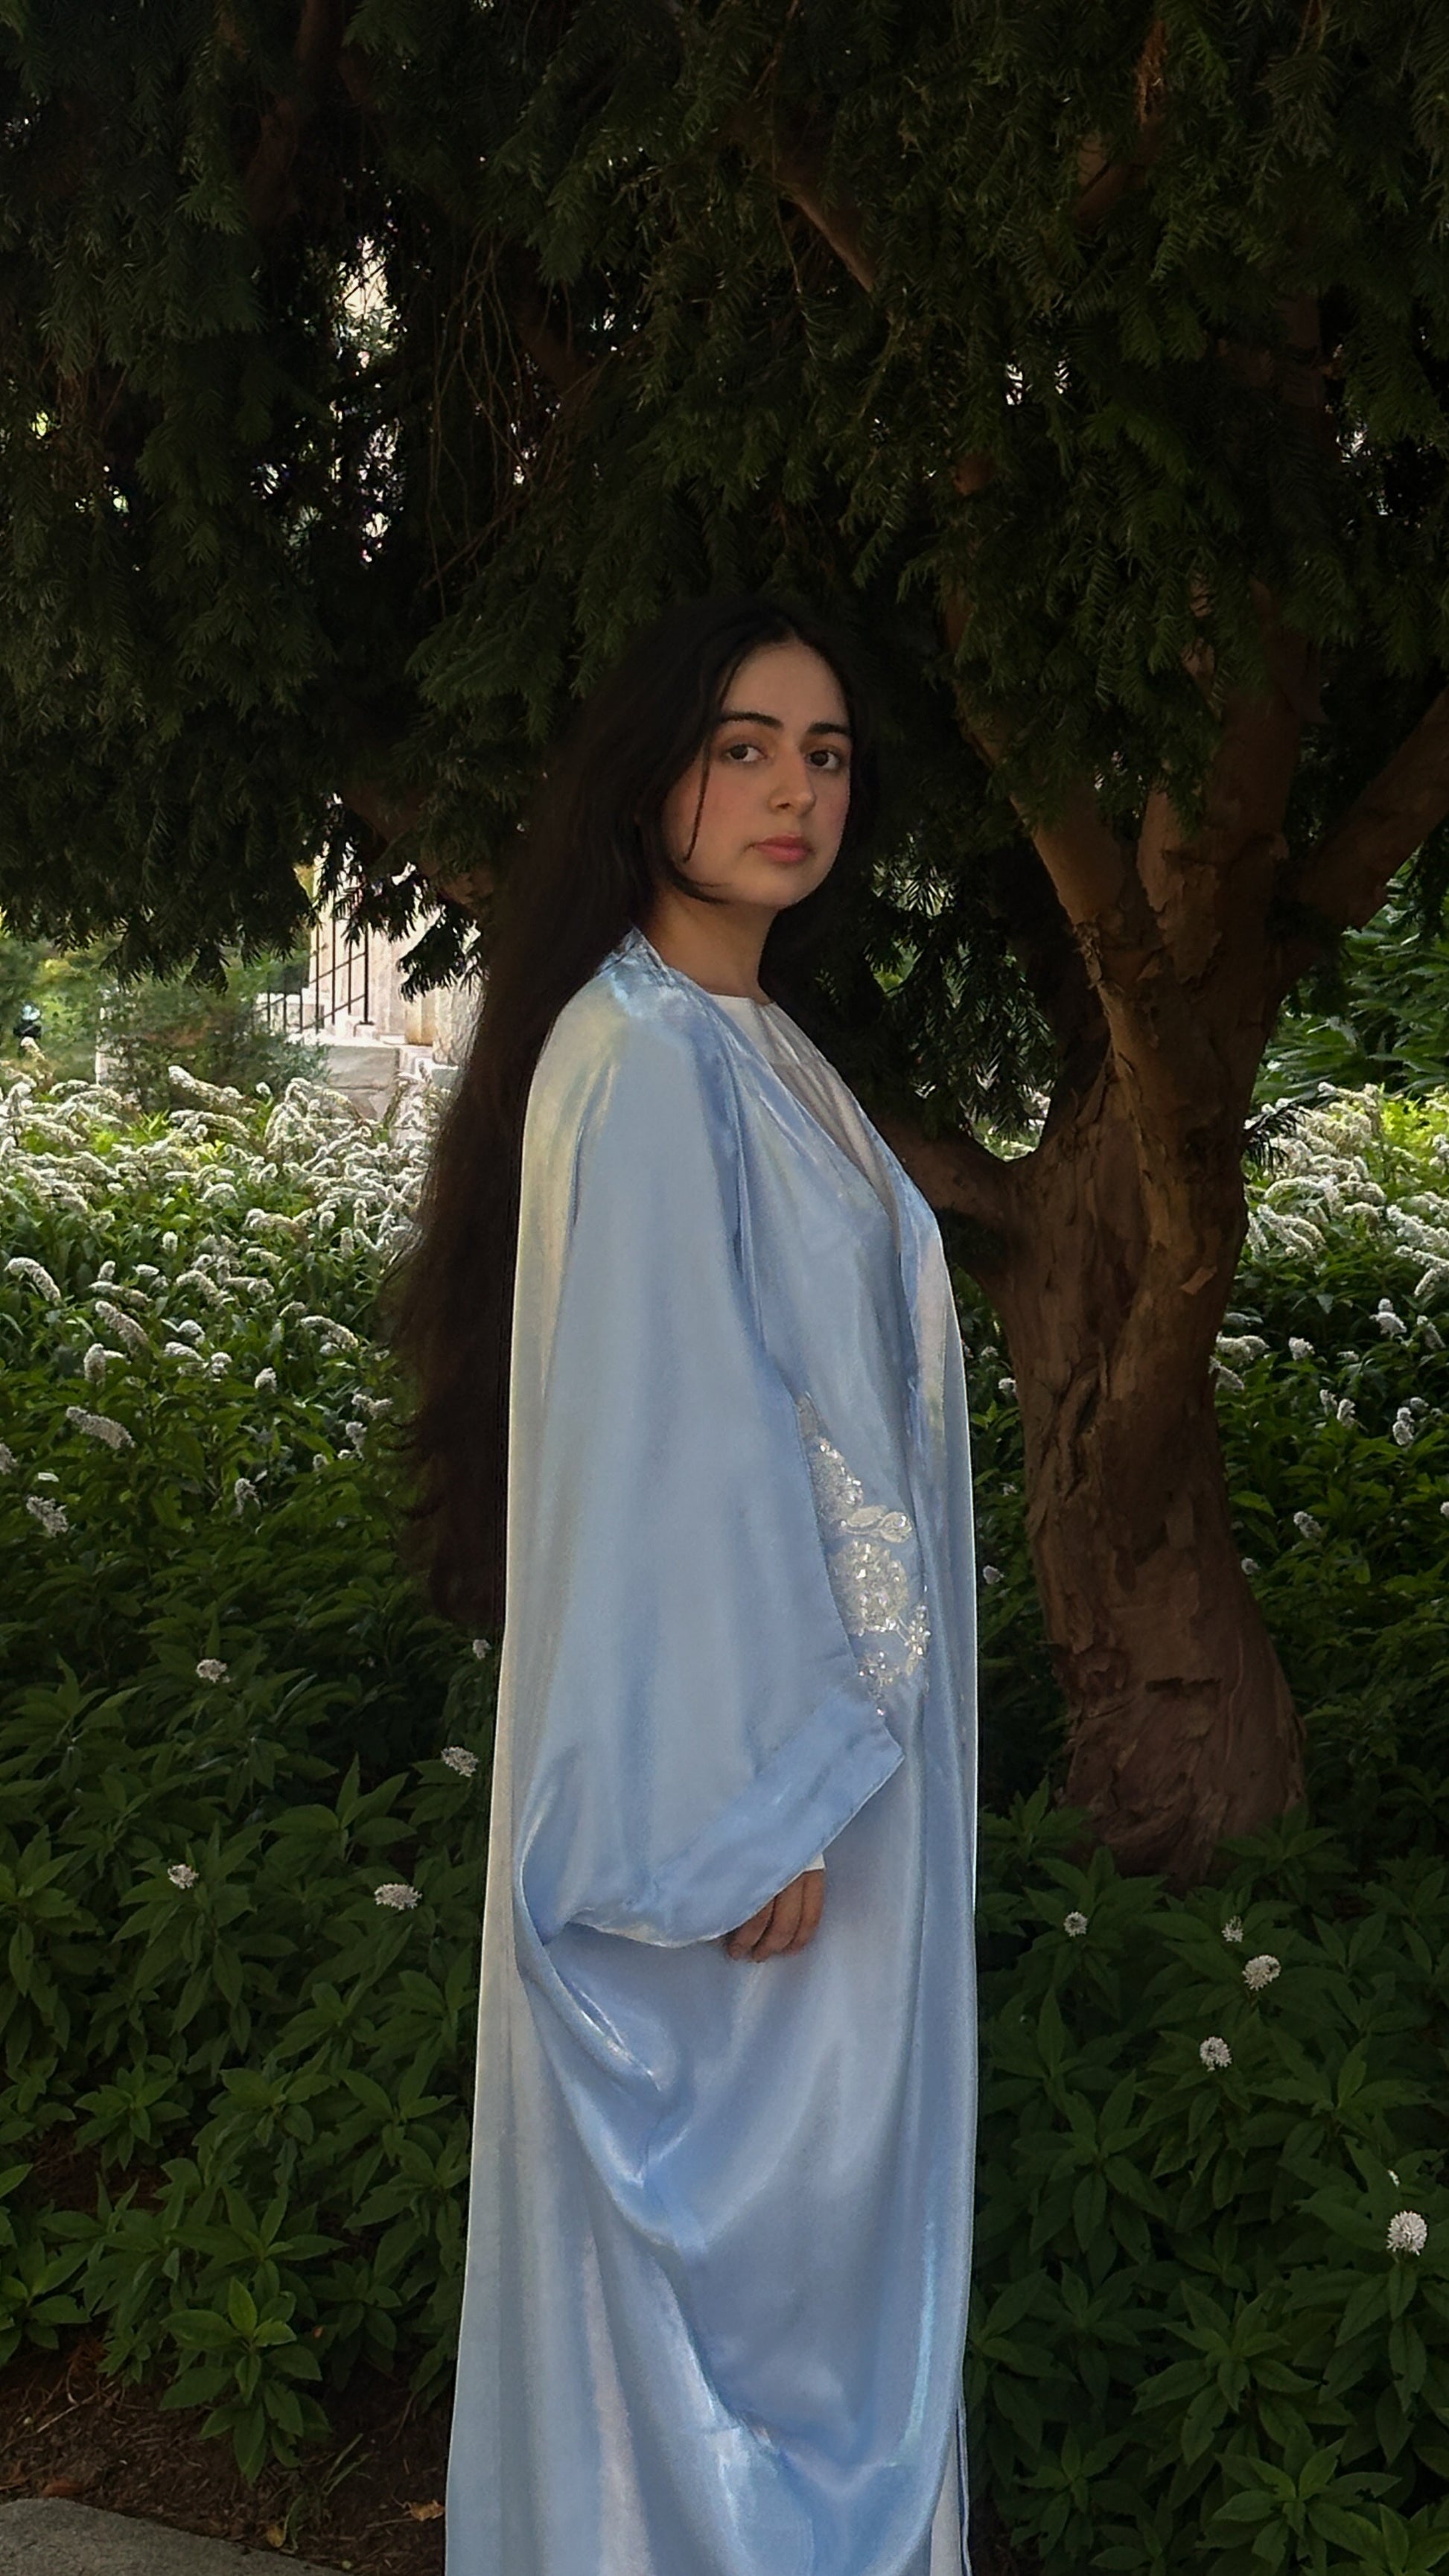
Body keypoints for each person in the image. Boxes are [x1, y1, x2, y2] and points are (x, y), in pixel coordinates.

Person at [393, 594, 979, 2576]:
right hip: (746, 1824)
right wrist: (755, 1797)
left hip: (833, 1793)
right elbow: (672, 1451)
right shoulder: (639, 1059)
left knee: (816, 2294)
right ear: (655, 768)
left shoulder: (749, 1044)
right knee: (731, 2322)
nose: (790, 788)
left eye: (823, 753)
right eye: (744, 743)